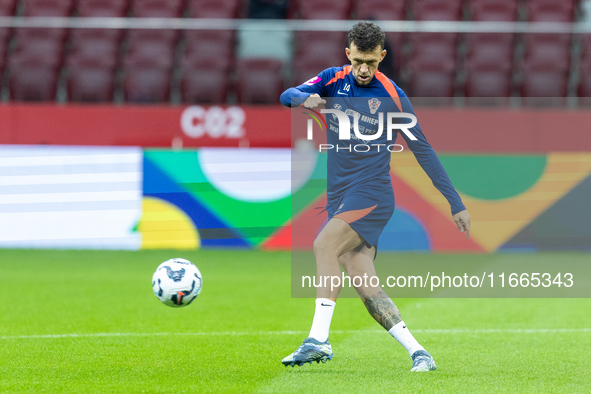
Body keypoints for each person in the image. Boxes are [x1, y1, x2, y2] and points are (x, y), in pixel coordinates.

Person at [279, 21, 471, 372]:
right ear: (347, 53)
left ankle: (317, 340)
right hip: (340, 195)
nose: (364, 69)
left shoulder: (393, 96)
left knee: (323, 246)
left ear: (382, 56)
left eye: (372, 62)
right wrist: (304, 98)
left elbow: (423, 150)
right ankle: (419, 353)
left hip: (372, 193)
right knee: (363, 281)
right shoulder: (331, 78)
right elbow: (286, 95)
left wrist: (454, 201)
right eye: (358, 61)